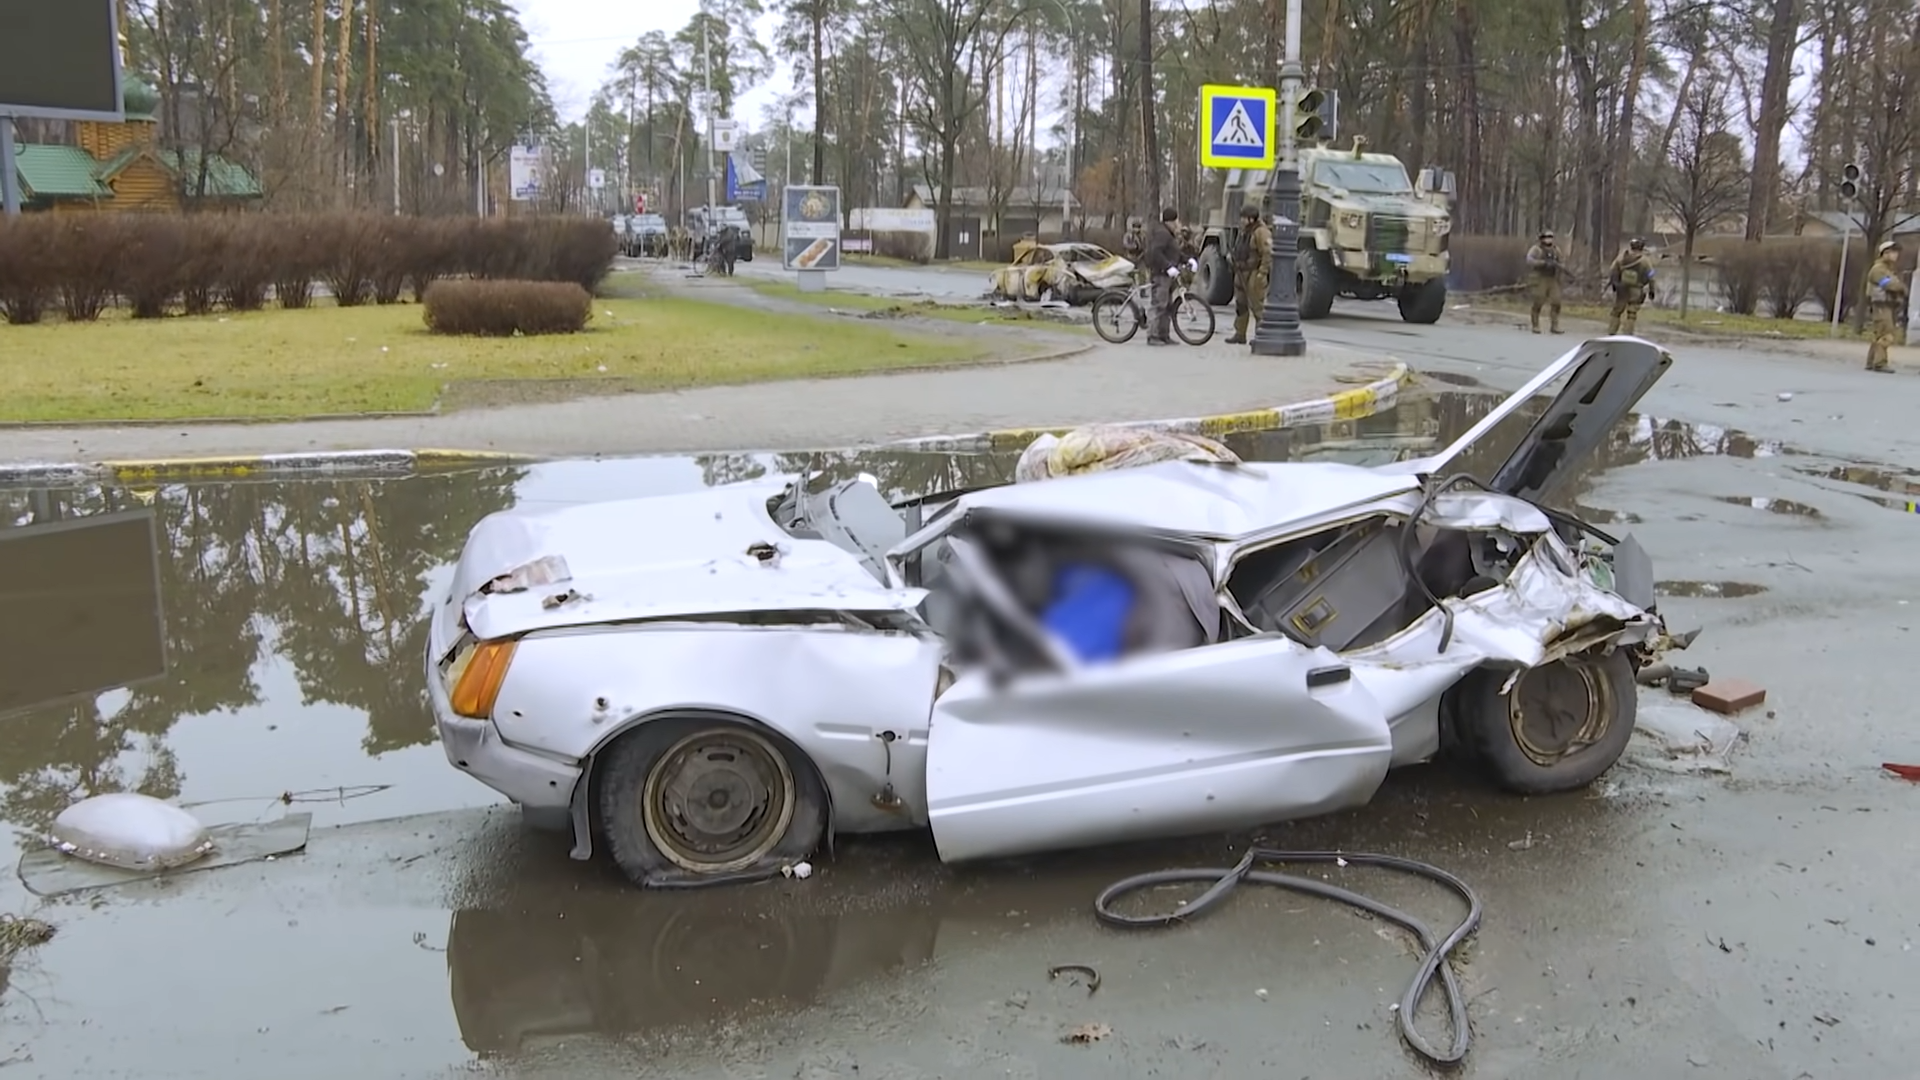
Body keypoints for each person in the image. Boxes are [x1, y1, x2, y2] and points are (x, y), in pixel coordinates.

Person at [1226, 204, 1273, 345]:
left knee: (1257, 306)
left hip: (1254, 273)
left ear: (1251, 219)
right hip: (1241, 272)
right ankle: (1240, 333)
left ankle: (1261, 335)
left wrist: (1262, 273)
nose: (1241, 221)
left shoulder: (1261, 232)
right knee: (1241, 304)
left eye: (1244, 218)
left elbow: (1268, 253)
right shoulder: (1244, 231)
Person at [1143, 207, 1184, 346]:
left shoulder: (1168, 234)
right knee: (1159, 305)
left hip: (1167, 274)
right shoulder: (1163, 234)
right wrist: (1168, 267)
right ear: (1171, 221)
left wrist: (1187, 260)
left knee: (1167, 306)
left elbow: (1173, 253)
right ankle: (1152, 335)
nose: (1178, 224)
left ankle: (1164, 335)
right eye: (1176, 221)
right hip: (1160, 274)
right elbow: (1156, 252)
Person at [1864, 239, 1907, 373]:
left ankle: (1871, 362)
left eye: (1896, 252)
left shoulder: (1889, 270)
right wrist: (1902, 287)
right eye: (1893, 252)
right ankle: (1880, 363)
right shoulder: (1878, 270)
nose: (1896, 255)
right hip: (1881, 305)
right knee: (1886, 334)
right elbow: (1889, 285)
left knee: (1879, 334)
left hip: (1887, 305)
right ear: (1884, 253)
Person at [1607, 237, 1657, 335]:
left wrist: (1614, 284)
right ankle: (1627, 335)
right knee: (1631, 314)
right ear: (1642, 247)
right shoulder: (1645, 261)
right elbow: (1651, 276)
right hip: (1636, 289)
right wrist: (1652, 290)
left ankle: (1611, 332)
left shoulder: (1621, 257)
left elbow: (1612, 270)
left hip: (1622, 288)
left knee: (1616, 312)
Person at [1525, 230, 1565, 335]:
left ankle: (1555, 325)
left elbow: (1562, 262)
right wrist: (1543, 263)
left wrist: (1559, 266)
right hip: (1540, 278)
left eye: (1551, 237)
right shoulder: (1536, 249)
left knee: (1556, 302)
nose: (1549, 239)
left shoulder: (1556, 250)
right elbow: (1529, 260)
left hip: (1552, 279)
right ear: (1542, 238)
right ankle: (1535, 325)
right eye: (1547, 237)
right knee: (1538, 301)